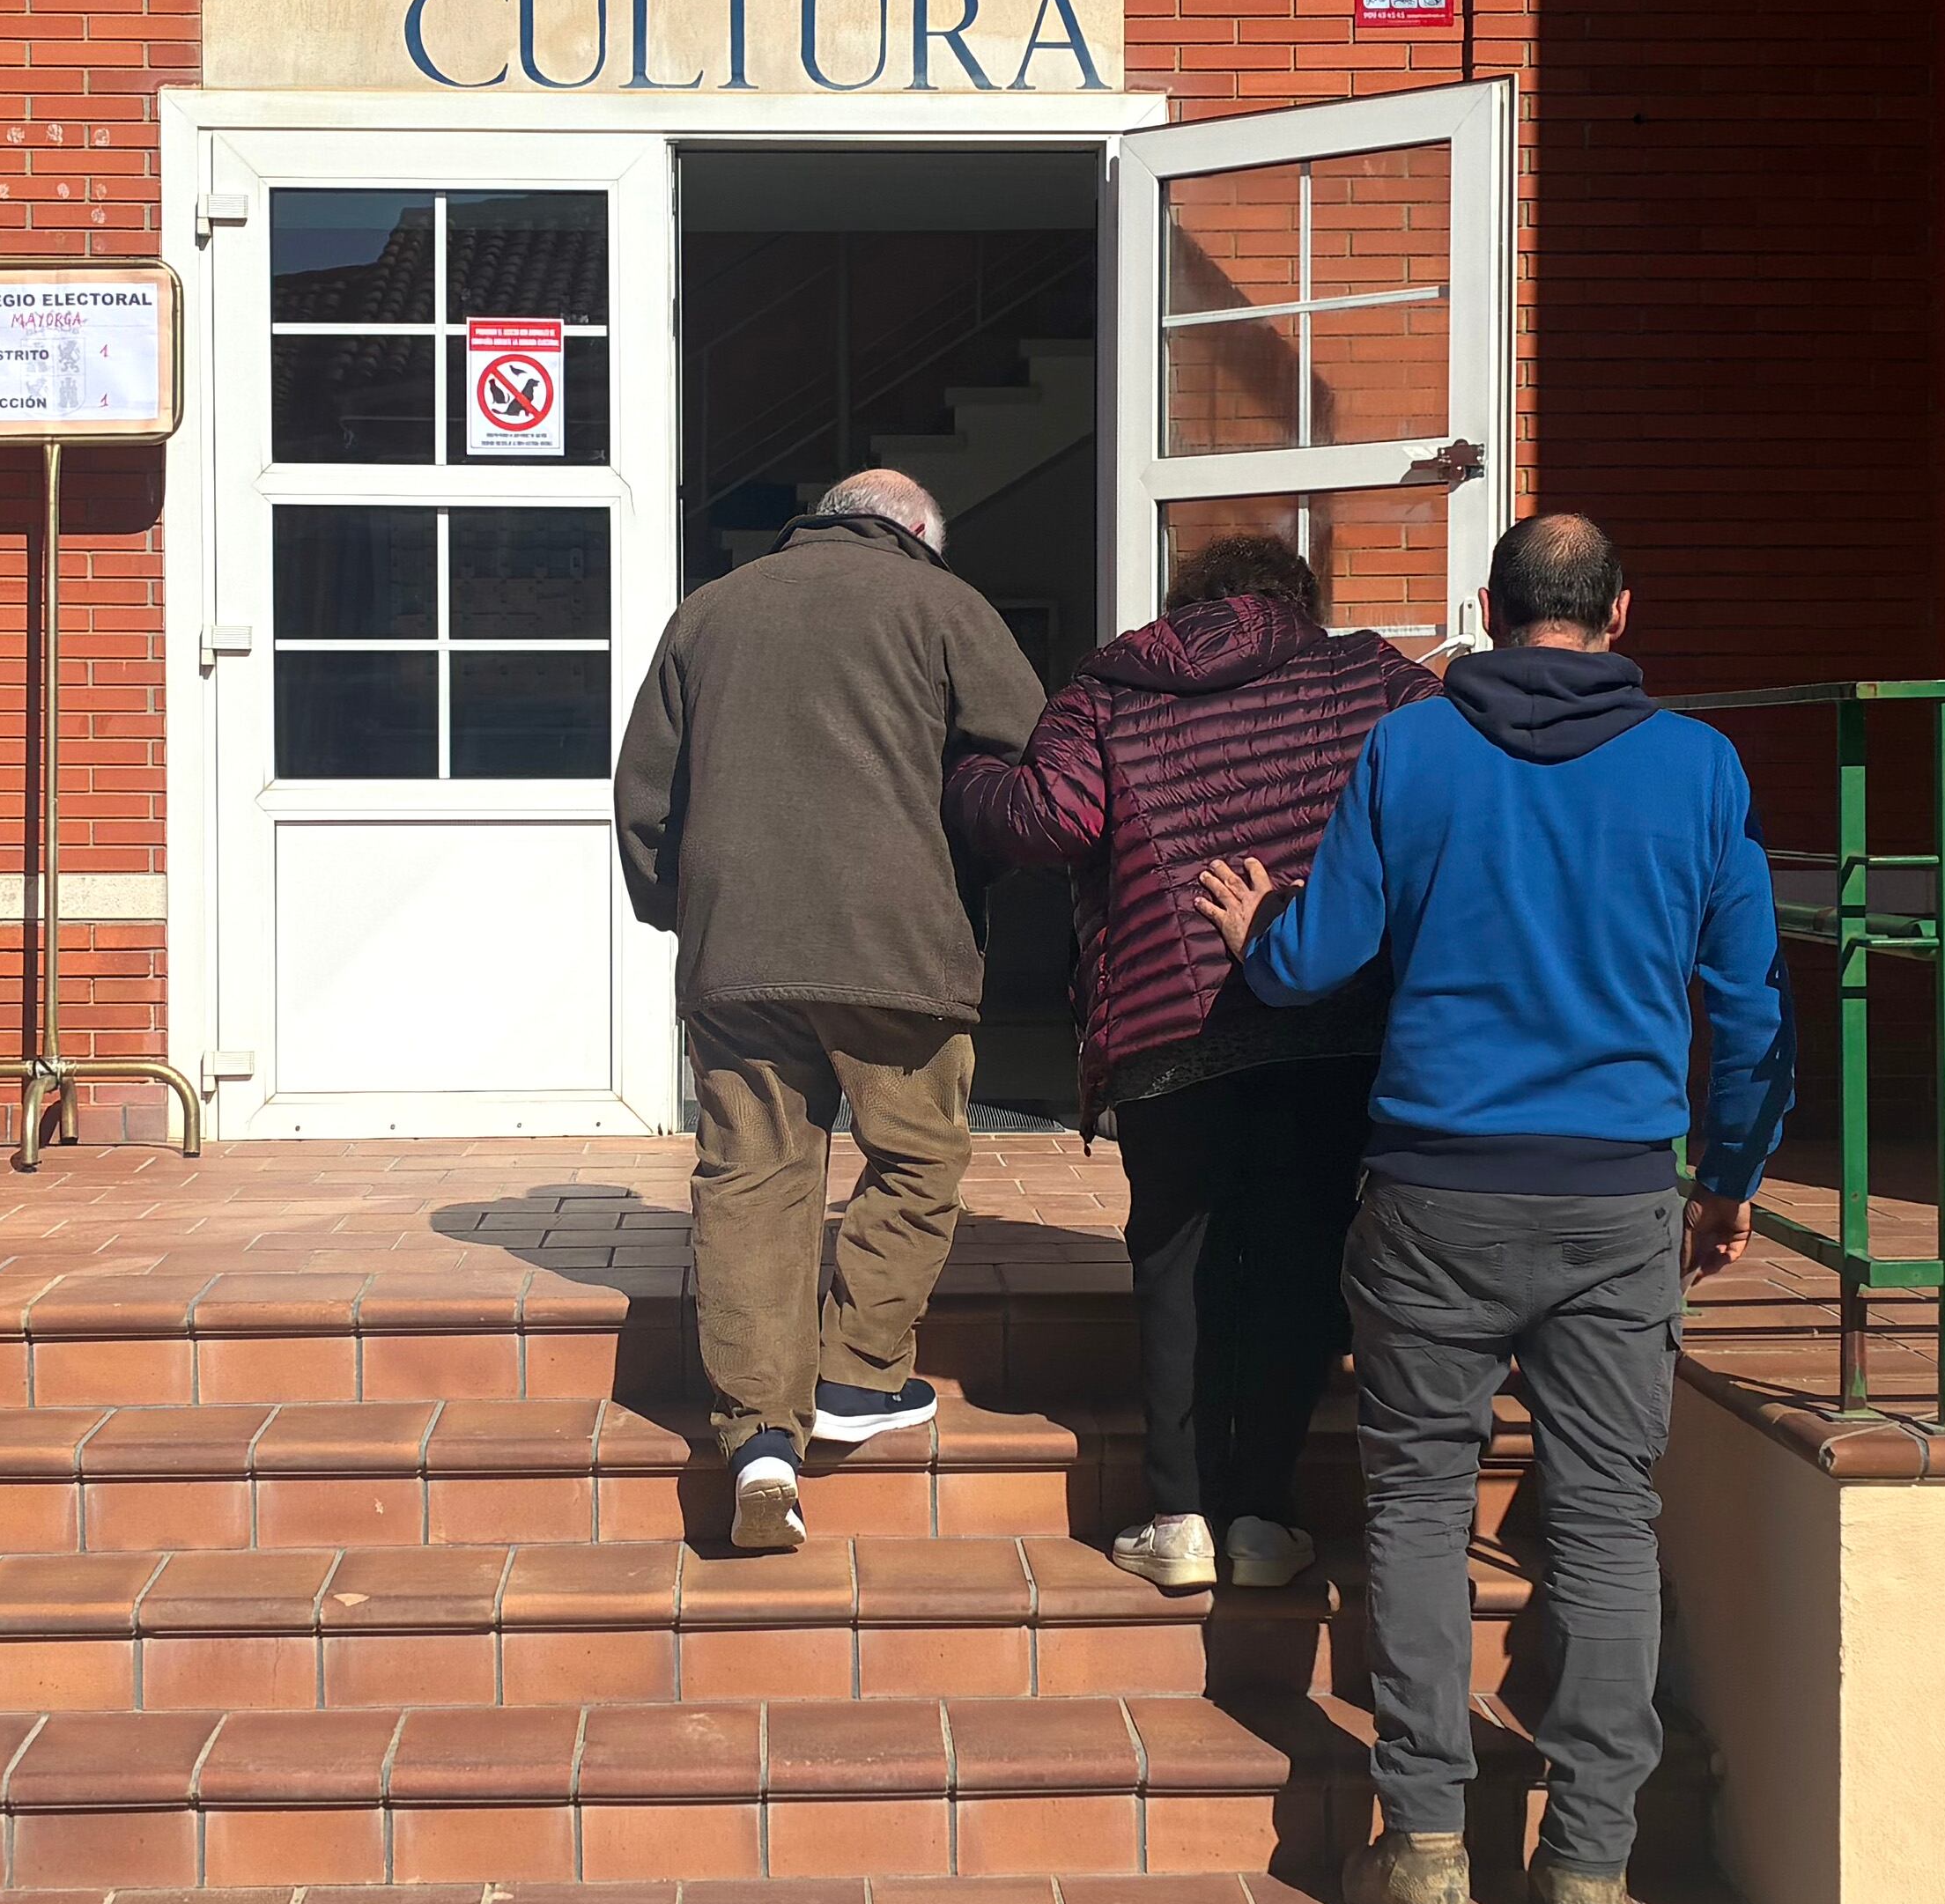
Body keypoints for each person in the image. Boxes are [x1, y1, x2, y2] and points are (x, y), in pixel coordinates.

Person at [1197, 511, 1791, 1904]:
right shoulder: (1696, 765)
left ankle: (1427, 1848)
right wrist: (1727, 1175)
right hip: (1611, 1200)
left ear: (1487, 604)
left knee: (1414, 1508)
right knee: (1602, 1523)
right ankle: (1587, 1864)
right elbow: (1750, 1003)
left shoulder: (1414, 749)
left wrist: (1250, 939)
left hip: (1434, 1193)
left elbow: (1322, 953)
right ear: (1618, 609)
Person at [945, 529, 1438, 1595]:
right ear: (1296, 601)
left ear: (1183, 605)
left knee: (1176, 1264)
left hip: (1169, 1032)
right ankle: (1260, 1518)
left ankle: (1177, 1520)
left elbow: (1049, 818)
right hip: (1332, 1020)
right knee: (1300, 1257)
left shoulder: (1109, 687)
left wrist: (968, 773)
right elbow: (1449, 787)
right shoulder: (1370, 678)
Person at [612, 469, 1047, 1553]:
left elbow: (642, 797)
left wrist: (683, 910)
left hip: (738, 946)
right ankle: (856, 1374)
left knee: (750, 1176)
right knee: (915, 1156)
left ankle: (759, 1432)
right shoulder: (944, 605)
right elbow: (1035, 760)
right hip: (898, 944)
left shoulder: (707, 610)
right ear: (915, 532)